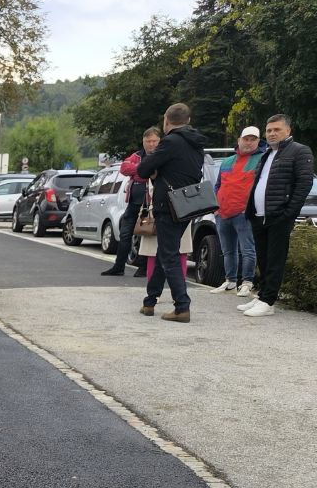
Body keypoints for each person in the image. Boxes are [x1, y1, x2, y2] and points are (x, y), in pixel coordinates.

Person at [135, 102, 208, 323]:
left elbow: (142, 169)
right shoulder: (197, 144)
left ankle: (182, 306)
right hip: (187, 204)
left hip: (167, 205)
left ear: (167, 120)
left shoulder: (171, 142)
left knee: (169, 255)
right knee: (165, 251)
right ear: (188, 121)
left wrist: (157, 173)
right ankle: (150, 301)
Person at [240, 114, 315, 317]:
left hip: (279, 215)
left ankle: (268, 301)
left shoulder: (299, 151)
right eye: (269, 130)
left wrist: (289, 213)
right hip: (259, 214)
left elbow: (304, 183)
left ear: (288, 131)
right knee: (263, 257)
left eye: (277, 130)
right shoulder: (266, 153)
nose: (272, 133)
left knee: (275, 258)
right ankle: (262, 294)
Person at [209, 125, 264, 297]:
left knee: (248, 249)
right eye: (245, 139)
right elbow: (218, 186)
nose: (248, 142)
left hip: (244, 213)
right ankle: (230, 281)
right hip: (223, 213)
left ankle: (247, 282)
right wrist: (216, 208)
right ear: (239, 140)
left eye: (252, 139)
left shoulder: (262, 159)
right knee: (228, 250)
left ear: (258, 141)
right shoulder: (227, 161)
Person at [102, 126, 161, 277]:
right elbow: (124, 168)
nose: (151, 144)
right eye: (148, 141)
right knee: (125, 234)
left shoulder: (161, 155)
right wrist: (143, 169)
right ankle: (119, 266)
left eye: (154, 141)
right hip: (133, 202)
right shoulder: (137, 155)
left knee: (146, 234)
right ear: (143, 141)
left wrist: (139, 172)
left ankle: (142, 268)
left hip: (150, 203)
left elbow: (155, 173)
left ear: (159, 141)